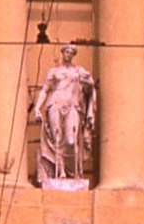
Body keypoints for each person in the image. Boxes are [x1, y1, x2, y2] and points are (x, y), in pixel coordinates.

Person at [31, 44, 96, 183]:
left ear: (73, 55)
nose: (68, 54)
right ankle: (60, 172)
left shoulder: (79, 70)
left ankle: (72, 171)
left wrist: (88, 82)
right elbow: (45, 90)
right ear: (62, 53)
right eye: (66, 51)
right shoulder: (54, 71)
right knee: (57, 139)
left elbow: (90, 86)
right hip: (54, 104)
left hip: (73, 105)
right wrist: (37, 108)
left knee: (71, 140)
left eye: (71, 52)